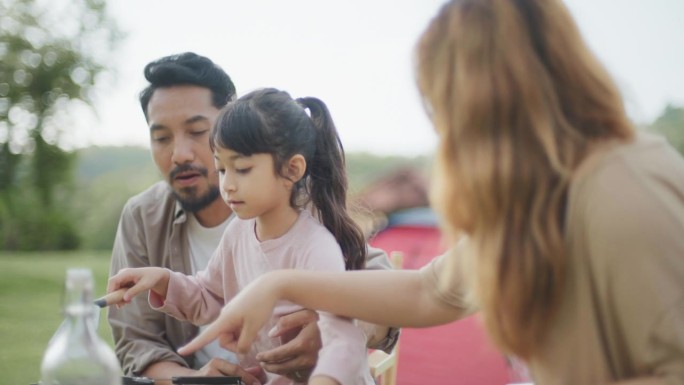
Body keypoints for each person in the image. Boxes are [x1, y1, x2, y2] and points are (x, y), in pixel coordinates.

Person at [173, 1, 684, 384]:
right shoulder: (539, 199)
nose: (446, 134)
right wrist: (277, 284)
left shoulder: (625, 191)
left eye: (444, 107)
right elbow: (430, 291)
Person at [107, 53, 398, 384]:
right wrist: (162, 280)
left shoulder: (312, 233)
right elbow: (208, 297)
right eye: (161, 137)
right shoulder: (238, 230)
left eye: (198, 131)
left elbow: (351, 323)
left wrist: (327, 337)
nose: (180, 154)